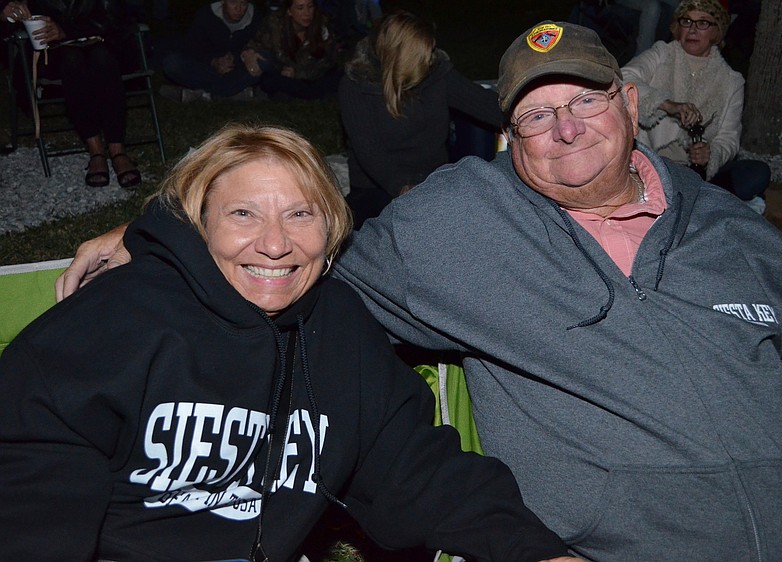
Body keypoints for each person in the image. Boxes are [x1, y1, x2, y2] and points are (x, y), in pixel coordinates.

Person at [56, 20, 782, 561]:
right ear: (510, 136)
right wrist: (162, 237)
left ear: (630, 105)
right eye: (538, 115)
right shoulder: (458, 223)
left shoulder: (733, 229)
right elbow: (291, 264)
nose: (566, 127)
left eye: (585, 100)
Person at [0, 123, 577, 562]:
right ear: (199, 226)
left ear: (330, 232)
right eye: (244, 213)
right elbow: (32, 495)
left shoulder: (341, 327)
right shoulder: (111, 323)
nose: (274, 244)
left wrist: (540, 552)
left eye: (300, 213)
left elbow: (418, 471)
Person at [339, 10, 503, 228]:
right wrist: (402, 187)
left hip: (435, 178)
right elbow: (370, 153)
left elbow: (483, 103)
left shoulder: (435, 73)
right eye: (422, 54)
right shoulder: (356, 86)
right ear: (400, 55)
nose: (429, 58)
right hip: (377, 187)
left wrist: (530, 113)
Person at [621, 0, 770, 212]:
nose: (692, 29)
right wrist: (666, 104)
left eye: (703, 23)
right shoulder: (662, 53)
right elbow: (624, 77)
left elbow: (729, 138)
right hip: (651, 162)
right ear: (677, 27)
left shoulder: (731, 81)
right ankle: (704, 202)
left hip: (695, 170)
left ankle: (689, 198)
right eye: (687, 21)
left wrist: (711, 154)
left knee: (756, 174)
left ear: (716, 32)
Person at [3, 0, 142, 189]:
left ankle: (117, 151)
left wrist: (66, 30)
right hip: (54, 55)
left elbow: (115, 19)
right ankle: (96, 152)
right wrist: (7, 13)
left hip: (104, 45)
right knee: (71, 59)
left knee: (101, 57)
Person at [160, 0, 263, 102]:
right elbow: (192, 48)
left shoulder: (255, 17)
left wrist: (247, 55)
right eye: (233, 2)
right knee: (172, 63)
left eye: (243, 4)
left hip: (237, 68)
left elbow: (261, 45)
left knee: (262, 63)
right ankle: (230, 92)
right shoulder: (207, 14)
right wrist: (214, 61)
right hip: (208, 69)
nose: (238, 9)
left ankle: (202, 94)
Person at [242, 0, 341, 100]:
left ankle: (306, 93)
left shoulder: (323, 24)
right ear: (289, 11)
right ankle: (311, 94)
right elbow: (257, 43)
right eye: (300, 8)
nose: (307, 13)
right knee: (268, 80)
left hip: (313, 75)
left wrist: (297, 73)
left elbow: (328, 61)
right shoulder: (275, 24)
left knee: (336, 78)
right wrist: (249, 53)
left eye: (310, 7)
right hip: (285, 75)